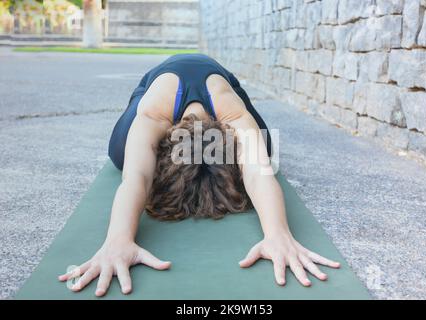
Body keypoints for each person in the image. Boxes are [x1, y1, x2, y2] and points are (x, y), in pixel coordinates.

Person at [58, 53, 340, 297]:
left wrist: (278, 234)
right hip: (156, 86)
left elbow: (258, 173)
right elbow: (137, 178)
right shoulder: (153, 113)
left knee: (261, 150)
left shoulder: (232, 115)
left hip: (223, 86)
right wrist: (117, 240)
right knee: (123, 154)